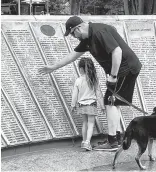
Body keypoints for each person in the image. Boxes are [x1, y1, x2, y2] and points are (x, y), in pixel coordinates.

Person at [38, 16, 142, 151]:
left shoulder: (99, 32)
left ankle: (112, 142)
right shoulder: (87, 39)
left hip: (125, 69)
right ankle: (117, 137)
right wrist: (53, 67)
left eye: (73, 33)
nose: (74, 37)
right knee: (113, 103)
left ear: (78, 28)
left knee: (110, 103)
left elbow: (117, 51)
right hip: (124, 70)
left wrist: (113, 76)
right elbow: (72, 56)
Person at [71, 57, 105, 151]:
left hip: (81, 105)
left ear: (81, 68)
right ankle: (87, 142)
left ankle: (83, 141)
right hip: (91, 104)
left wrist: (73, 105)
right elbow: (99, 93)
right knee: (91, 124)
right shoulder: (93, 79)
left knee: (84, 123)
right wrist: (102, 106)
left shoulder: (78, 80)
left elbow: (75, 94)